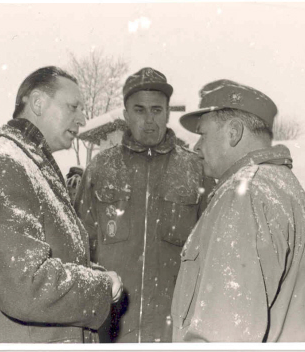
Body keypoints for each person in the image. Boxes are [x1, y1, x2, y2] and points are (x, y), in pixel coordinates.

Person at [0, 66, 122, 343]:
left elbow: (43, 262)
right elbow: (26, 286)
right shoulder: (3, 166)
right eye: (73, 106)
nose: (82, 117)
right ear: (38, 103)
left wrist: (92, 275)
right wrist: (101, 287)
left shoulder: (27, 166)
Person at [171, 79, 305, 342]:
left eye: (203, 134)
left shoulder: (245, 195)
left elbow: (224, 332)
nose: (196, 147)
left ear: (233, 132)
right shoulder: (284, 186)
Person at [74, 67, 213, 343]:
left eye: (156, 110)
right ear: (126, 115)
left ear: (167, 113)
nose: (149, 120)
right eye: (139, 110)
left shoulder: (196, 171)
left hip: (173, 329)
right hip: (112, 328)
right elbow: (79, 248)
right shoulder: (100, 169)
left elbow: (211, 254)